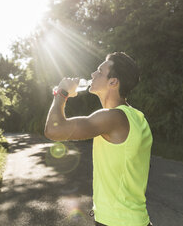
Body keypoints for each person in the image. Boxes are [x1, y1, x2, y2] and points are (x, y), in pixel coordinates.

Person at [44, 52, 153, 226]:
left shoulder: (113, 118)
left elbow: (53, 130)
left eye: (100, 72)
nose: (93, 75)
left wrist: (61, 93)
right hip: (135, 220)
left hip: (117, 222)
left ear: (113, 82)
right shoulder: (138, 117)